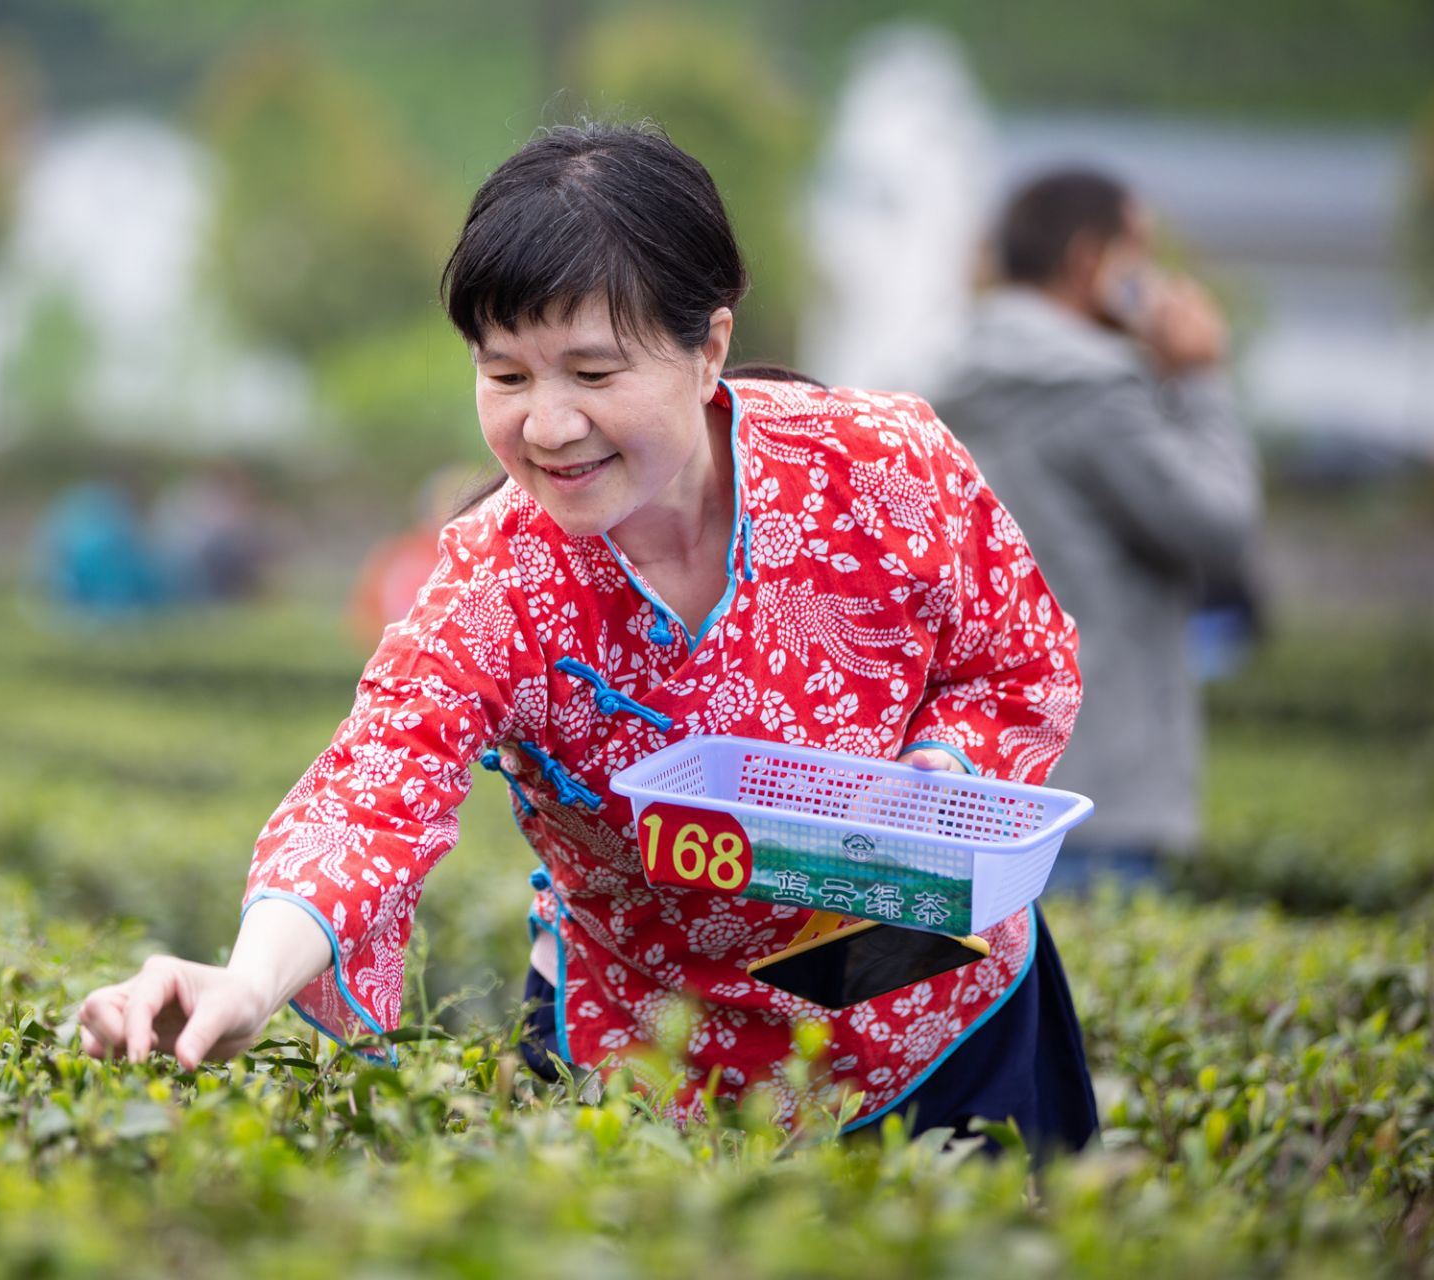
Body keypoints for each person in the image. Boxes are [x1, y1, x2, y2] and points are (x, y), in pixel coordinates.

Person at [78, 124, 1097, 1151]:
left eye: (593, 373)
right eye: (507, 376)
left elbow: (1016, 656)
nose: (549, 425)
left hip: (932, 1006)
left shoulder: (881, 467)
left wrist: (932, 780)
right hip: (656, 1061)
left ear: (708, 348)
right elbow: (374, 785)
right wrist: (248, 978)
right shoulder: (497, 580)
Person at [932, 169, 1260, 893]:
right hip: (1105, 806)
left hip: (980, 784)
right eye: (1138, 254)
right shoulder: (1101, 392)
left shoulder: (945, 383)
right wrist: (1203, 379)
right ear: (1091, 262)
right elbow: (1218, 527)